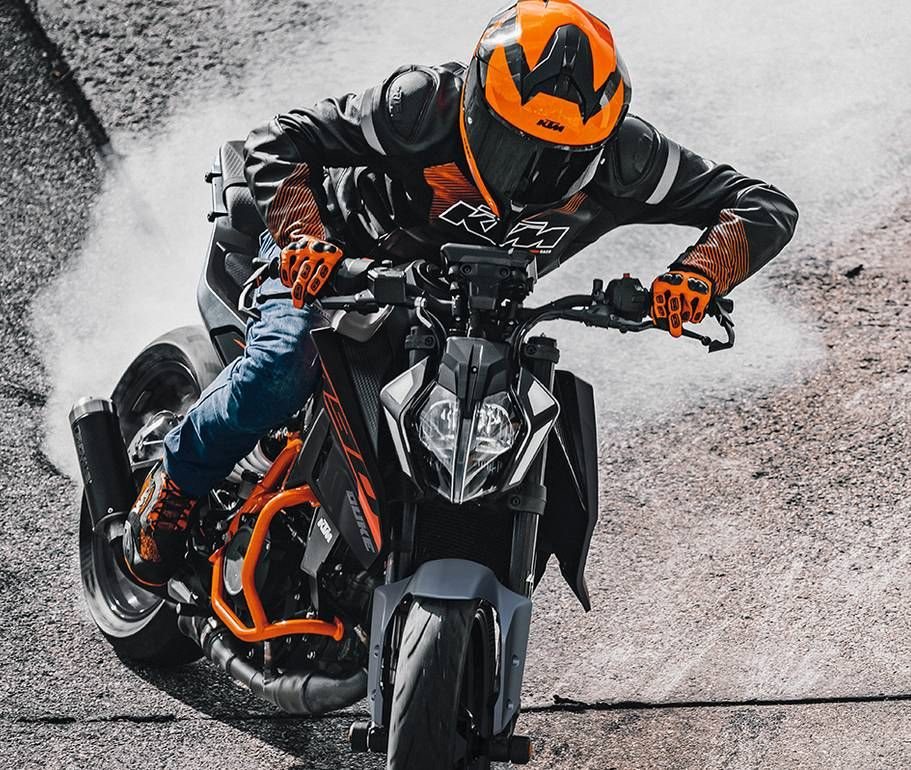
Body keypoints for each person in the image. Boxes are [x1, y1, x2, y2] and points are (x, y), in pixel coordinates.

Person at [123, 0, 798, 586]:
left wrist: (699, 273)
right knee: (284, 362)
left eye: (559, 159)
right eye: (512, 146)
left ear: (598, 141)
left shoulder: (629, 155)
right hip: (337, 264)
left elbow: (760, 204)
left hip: (470, 311)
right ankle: (172, 485)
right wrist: (303, 234)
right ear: (477, 101)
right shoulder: (419, 104)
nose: (530, 175)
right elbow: (280, 139)